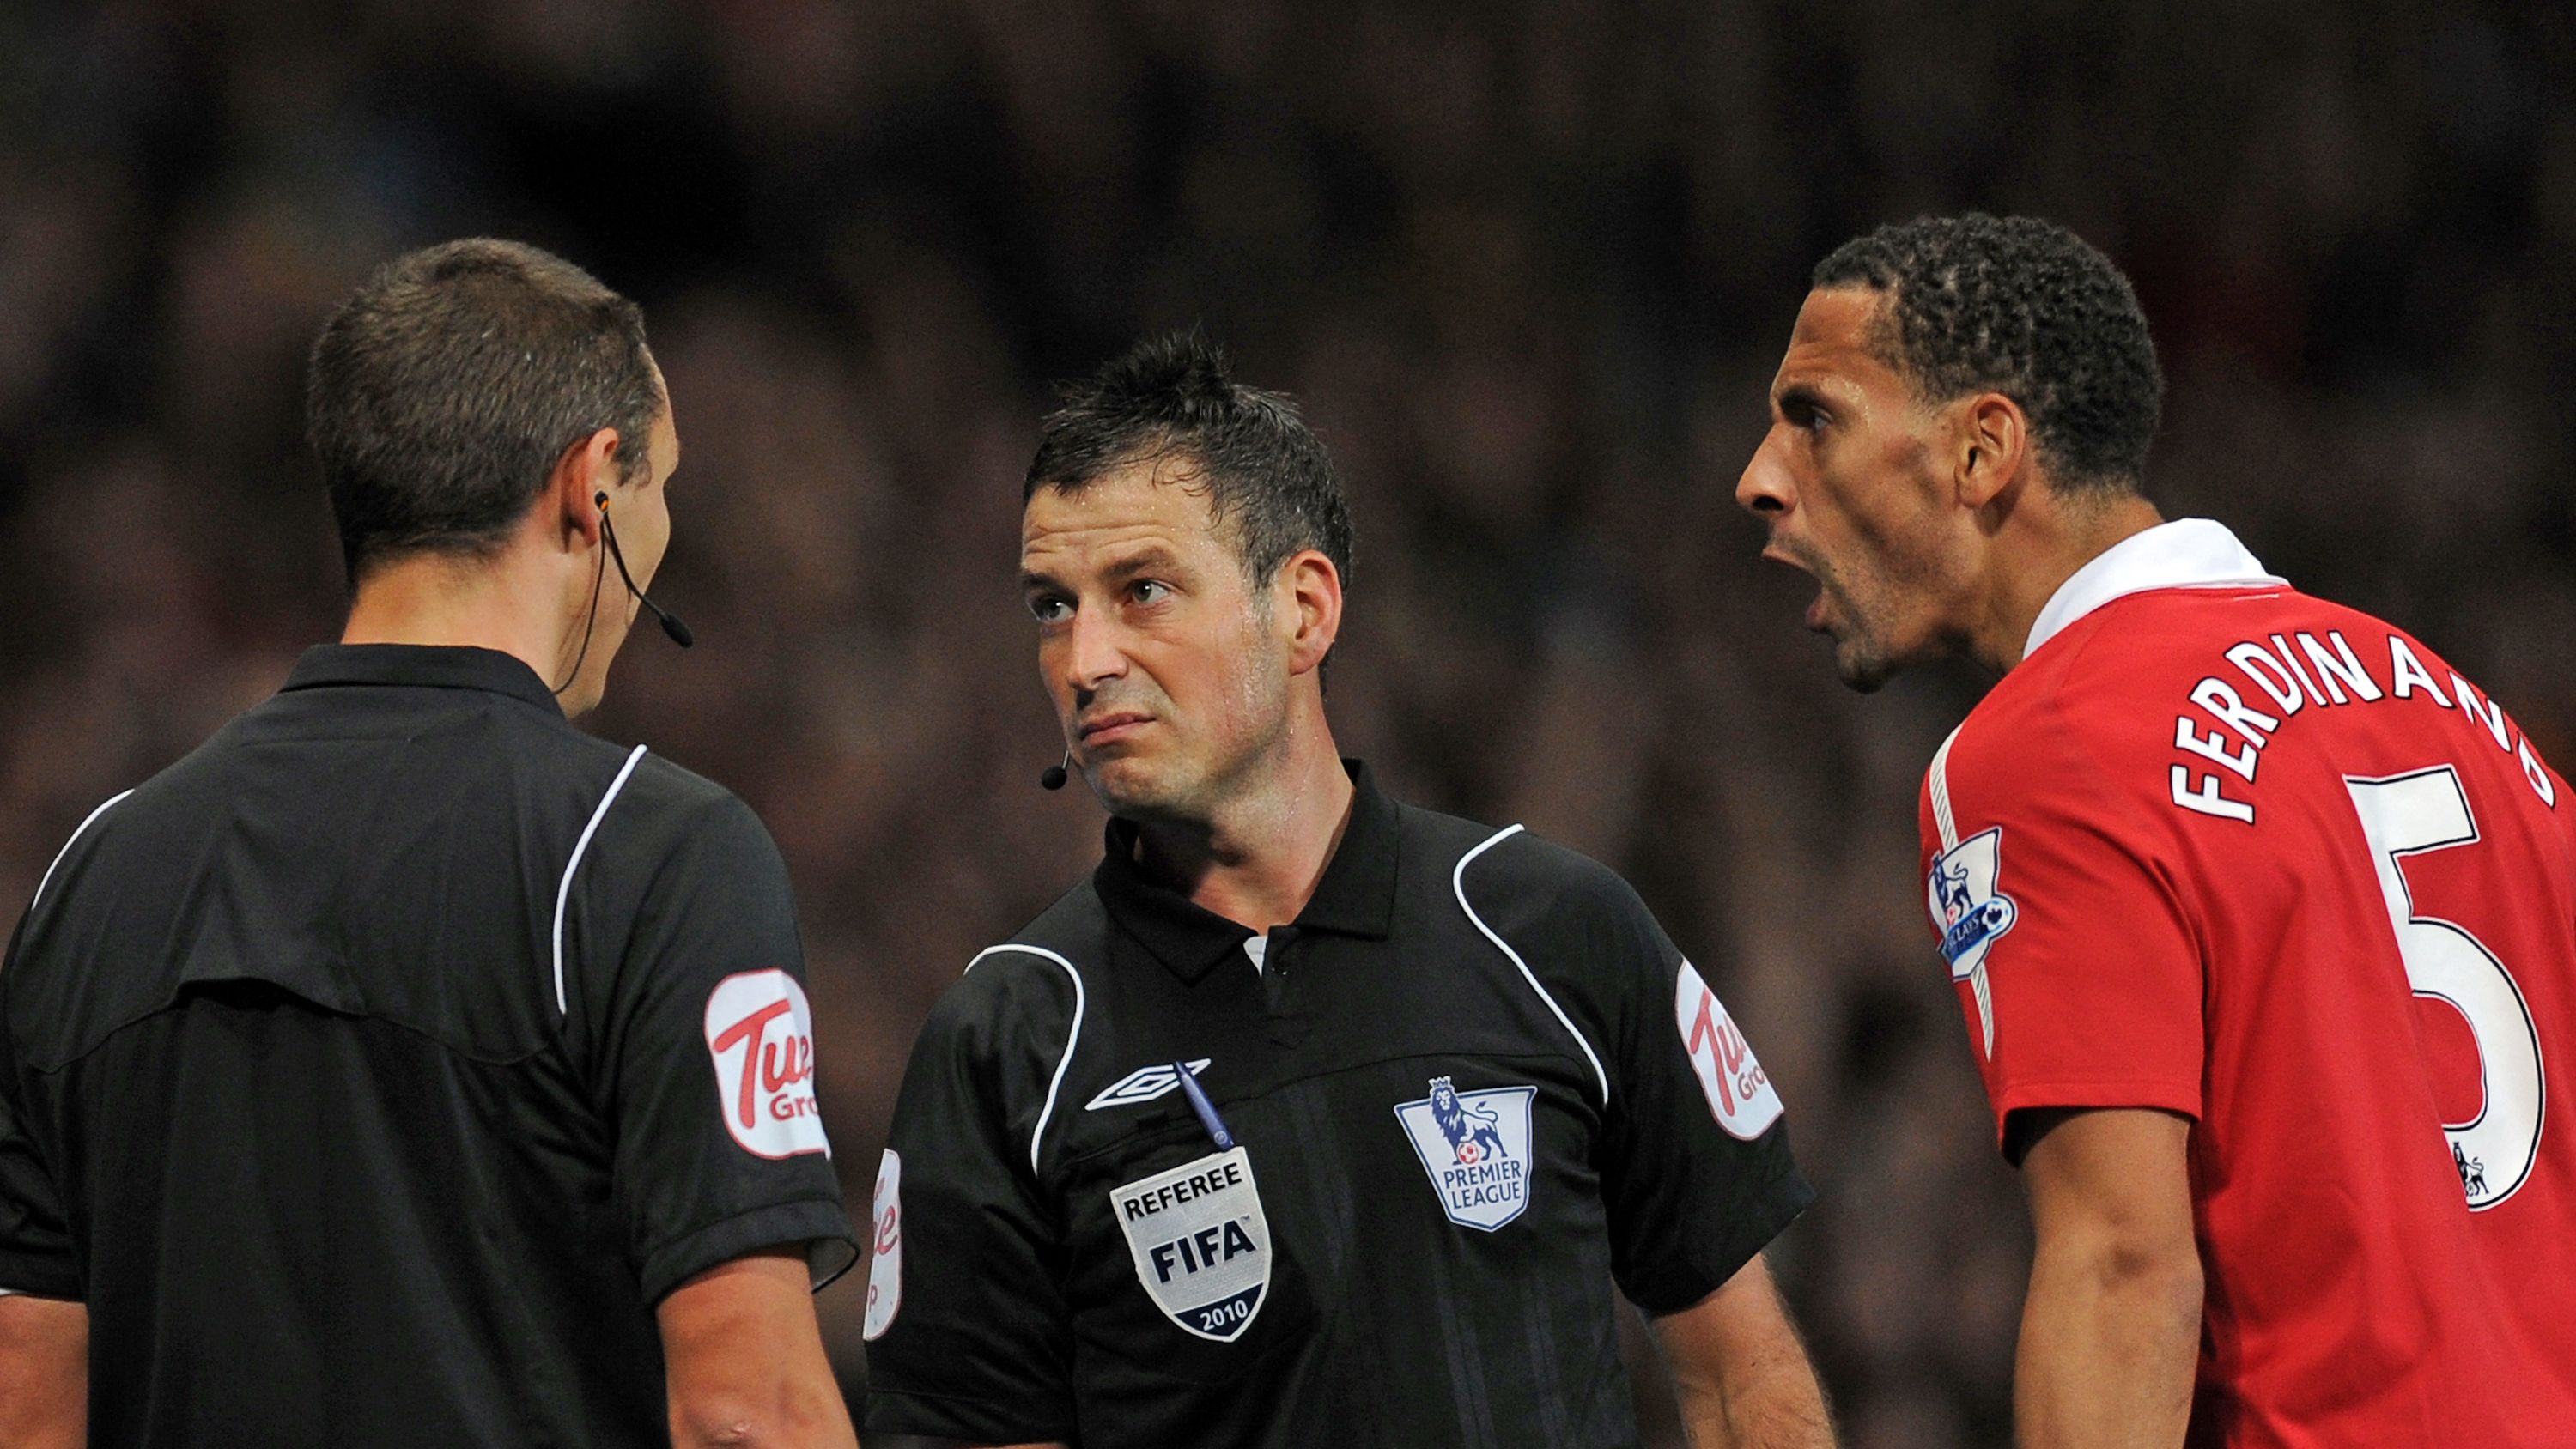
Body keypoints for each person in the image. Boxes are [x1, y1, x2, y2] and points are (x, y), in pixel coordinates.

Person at [861, 332, 1832, 1449]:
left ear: (1305, 611)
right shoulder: (1007, 1042)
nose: (1084, 661)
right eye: (1051, 606)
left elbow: (1741, 1376)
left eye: (1143, 591)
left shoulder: (1553, 929)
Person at [0, 239, 860, 1448]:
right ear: (591, 486)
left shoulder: (93, 877)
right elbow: (747, 1410)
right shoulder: (651, 855)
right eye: (663, 482)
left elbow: (31, 1411)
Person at [1736, 213, 2576, 1446]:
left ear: (1982, 453)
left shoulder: (2048, 745)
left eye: (1815, 419)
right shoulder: (2465, 716)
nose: (1759, 473)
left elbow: (2125, 1268)